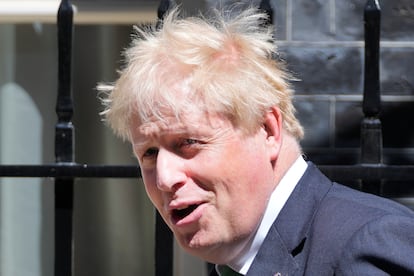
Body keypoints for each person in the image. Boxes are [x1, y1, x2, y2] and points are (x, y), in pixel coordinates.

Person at [99, 6, 414, 276]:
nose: (166, 178)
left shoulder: (364, 244)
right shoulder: (240, 261)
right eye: (150, 152)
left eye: (188, 142)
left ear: (268, 130)